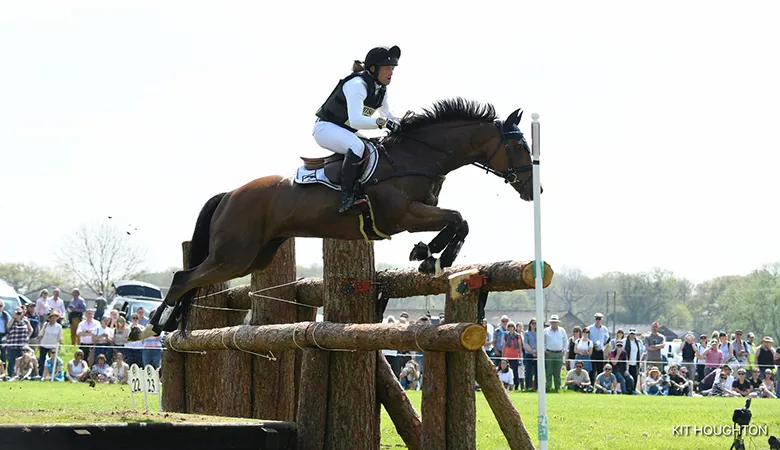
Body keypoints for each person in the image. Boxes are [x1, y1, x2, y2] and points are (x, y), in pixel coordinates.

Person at [313, 45, 403, 214]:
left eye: (392, 69)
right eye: (386, 68)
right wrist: (384, 123)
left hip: (345, 130)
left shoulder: (381, 90)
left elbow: (387, 114)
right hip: (325, 128)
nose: (390, 73)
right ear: (373, 69)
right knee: (358, 147)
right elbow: (356, 120)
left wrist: (402, 123)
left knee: (376, 148)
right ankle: (347, 198)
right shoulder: (357, 85)